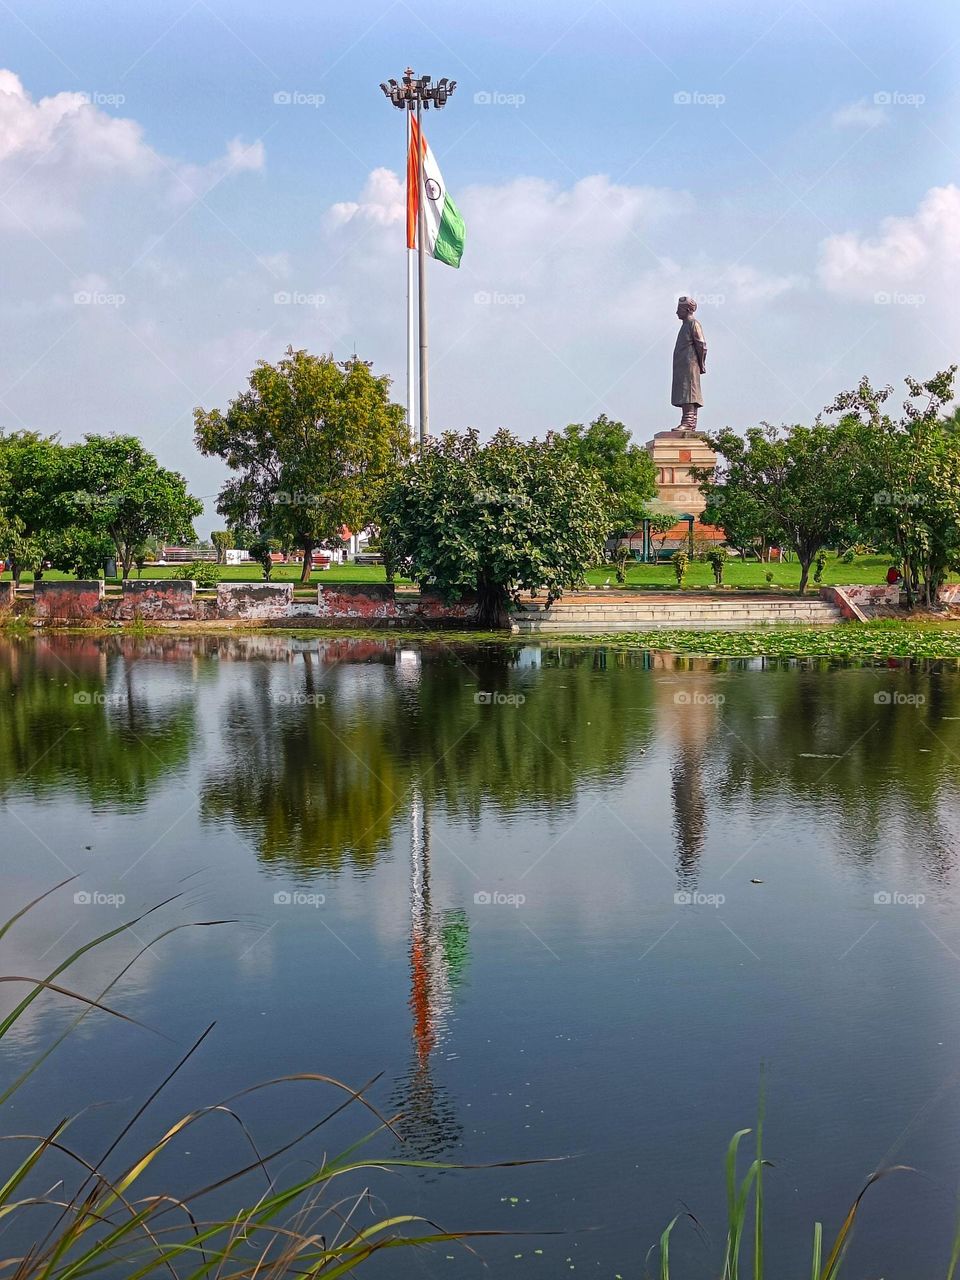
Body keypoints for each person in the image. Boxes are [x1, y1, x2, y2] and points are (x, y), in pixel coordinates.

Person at [672, 296, 707, 431]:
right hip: (683, 365)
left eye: (679, 309)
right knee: (684, 391)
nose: (676, 313)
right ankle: (690, 423)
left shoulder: (693, 324)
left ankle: (688, 422)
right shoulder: (685, 325)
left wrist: (701, 363)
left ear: (686, 309)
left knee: (689, 392)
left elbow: (702, 344)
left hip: (690, 364)